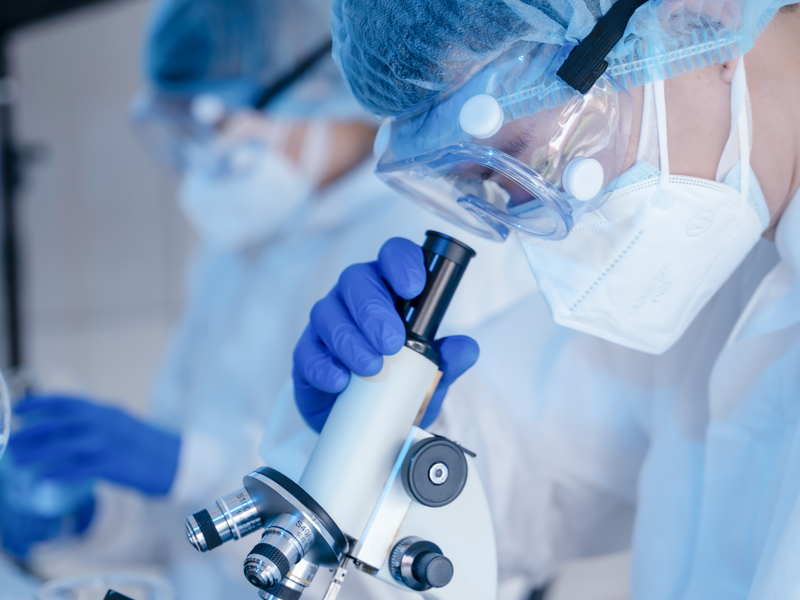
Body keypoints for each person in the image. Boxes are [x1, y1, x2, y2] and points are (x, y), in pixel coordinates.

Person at [0, 0, 539, 598]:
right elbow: (183, 531)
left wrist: (190, 466)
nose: (196, 161)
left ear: (310, 86)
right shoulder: (231, 254)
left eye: (210, 123)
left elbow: (461, 515)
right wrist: (88, 514)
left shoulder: (441, 247)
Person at [285, 1, 800, 598]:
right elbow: (514, 476)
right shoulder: (725, 260)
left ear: (699, 11)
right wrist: (371, 440)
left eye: (538, 158)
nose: (544, 215)